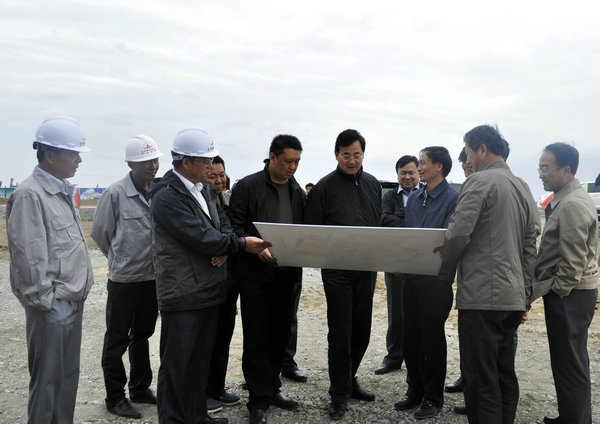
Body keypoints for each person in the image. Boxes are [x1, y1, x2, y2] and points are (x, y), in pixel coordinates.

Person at [151, 127, 271, 424]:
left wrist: (226, 246)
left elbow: (223, 224)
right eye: (205, 161)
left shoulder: (203, 189)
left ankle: (196, 416)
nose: (210, 166)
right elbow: (199, 236)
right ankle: (173, 420)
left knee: (198, 363)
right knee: (178, 364)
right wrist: (238, 245)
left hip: (208, 288)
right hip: (183, 292)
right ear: (186, 162)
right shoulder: (167, 196)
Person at [440, 124, 539, 424]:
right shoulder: (523, 186)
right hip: (512, 297)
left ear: (482, 148)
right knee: (503, 373)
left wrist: (444, 265)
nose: (468, 159)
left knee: (480, 377)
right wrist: (526, 295)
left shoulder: (479, 181)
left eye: (469, 152)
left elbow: (458, 234)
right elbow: (530, 246)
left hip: (483, 298)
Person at [6, 116, 94, 423]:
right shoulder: (31, 194)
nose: (79, 160)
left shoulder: (61, 190)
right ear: (51, 156)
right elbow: (28, 257)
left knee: (66, 379)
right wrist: (46, 303)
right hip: (52, 307)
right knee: (47, 383)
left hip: (71, 300)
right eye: (74, 153)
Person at [228, 135, 306, 424]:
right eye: (287, 161)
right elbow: (233, 227)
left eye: (297, 162)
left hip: (287, 274)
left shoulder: (297, 191)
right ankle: (257, 401)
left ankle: (273, 389)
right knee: (257, 337)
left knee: (280, 335)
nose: (292, 167)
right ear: (272, 157)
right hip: (255, 275)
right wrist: (253, 247)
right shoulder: (248, 187)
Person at [305, 129, 381, 421]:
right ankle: (338, 394)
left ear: (363, 154)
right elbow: (312, 231)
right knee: (340, 334)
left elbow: (377, 223)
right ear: (336, 154)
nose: (352, 160)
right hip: (337, 272)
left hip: (367, 269)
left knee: (362, 331)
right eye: (346, 155)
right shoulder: (324, 188)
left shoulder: (373, 184)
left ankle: (350, 380)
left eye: (356, 154)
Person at [90, 135, 163, 419]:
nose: (153, 166)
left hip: (152, 278)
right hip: (124, 281)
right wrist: (120, 259)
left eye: (155, 160)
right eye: (146, 162)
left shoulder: (159, 191)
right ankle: (115, 397)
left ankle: (140, 388)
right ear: (131, 164)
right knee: (117, 338)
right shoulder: (115, 193)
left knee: (143, 334)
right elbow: (101, 233)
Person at [534, 143, 598, 424]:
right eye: (539, 168)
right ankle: (573, 416)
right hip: (572, 294)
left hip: (569, 295)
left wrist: (558, 291)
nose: (540, 174)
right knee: (570, 360)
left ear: (566, 170)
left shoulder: (572, 204)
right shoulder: (567, 198)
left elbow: (572, 263)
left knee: (569, 363)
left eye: (545, 168)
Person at [393, 147, 457, 420]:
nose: (419, 168)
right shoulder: (416, 197)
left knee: (432, 340)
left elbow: (451, 239)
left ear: (439, 166)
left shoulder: (452, 199)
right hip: (411, 277)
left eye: (423, 163)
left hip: (436, 280)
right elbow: (408, 236)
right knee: (411, 338)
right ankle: (415, 390)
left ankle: (433, 397)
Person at [374, 155, 421, 376]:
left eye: (411, 172)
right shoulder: (389, 196)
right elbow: (383, 220)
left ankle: (416, 359)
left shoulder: (426, 193)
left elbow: (425, 224)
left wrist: (399, 217)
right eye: (403, 173)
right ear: (397, 174)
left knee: (419, 314)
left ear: (418, 173)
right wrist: (409, 217)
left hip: (419, 261)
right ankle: (393, 357)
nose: (407, 176)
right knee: (396, 314)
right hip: (394, 262)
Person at [204, 156, 243, 414]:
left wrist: (228, 249)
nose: (218, 181)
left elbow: (236, 231)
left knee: (223, 337)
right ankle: (203, 392)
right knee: (207, 339)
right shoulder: (199, 202)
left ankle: (217, 387)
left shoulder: (229, 200)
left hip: (230, 281)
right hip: (207, 280)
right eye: (212, 176)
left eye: (222, 175)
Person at [444, 147, 472, 398]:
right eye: (464, 167)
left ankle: (476, 394)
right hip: (469, 276)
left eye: (470, 166)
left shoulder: (480, 189)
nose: (467, 172)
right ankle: (467, 379)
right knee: (469, 334)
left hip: (485, 278)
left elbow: (458, 234)